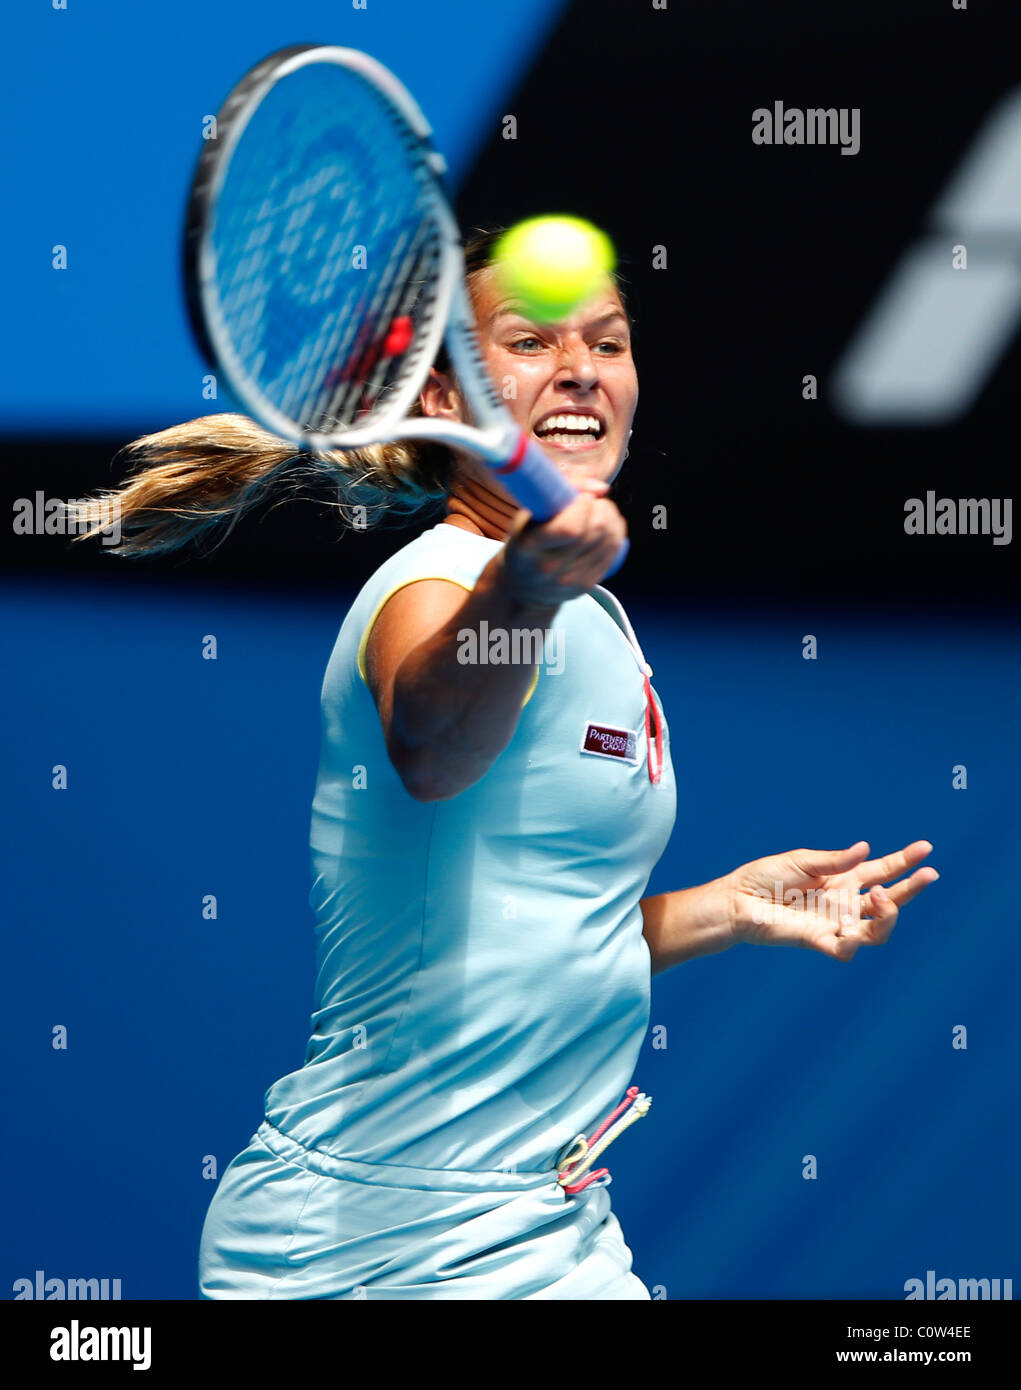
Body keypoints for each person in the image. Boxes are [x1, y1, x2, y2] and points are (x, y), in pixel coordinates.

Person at [69, 228, 939, 1299]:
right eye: (529, 342)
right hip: (370, 1243)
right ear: (443, 395)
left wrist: (730, 906)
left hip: (545, 1223)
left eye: (608, 343)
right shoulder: (433, 586)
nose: (581, 368)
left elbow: (534, 932)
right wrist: (523, 589)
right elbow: (432, 746)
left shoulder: (600, 617)